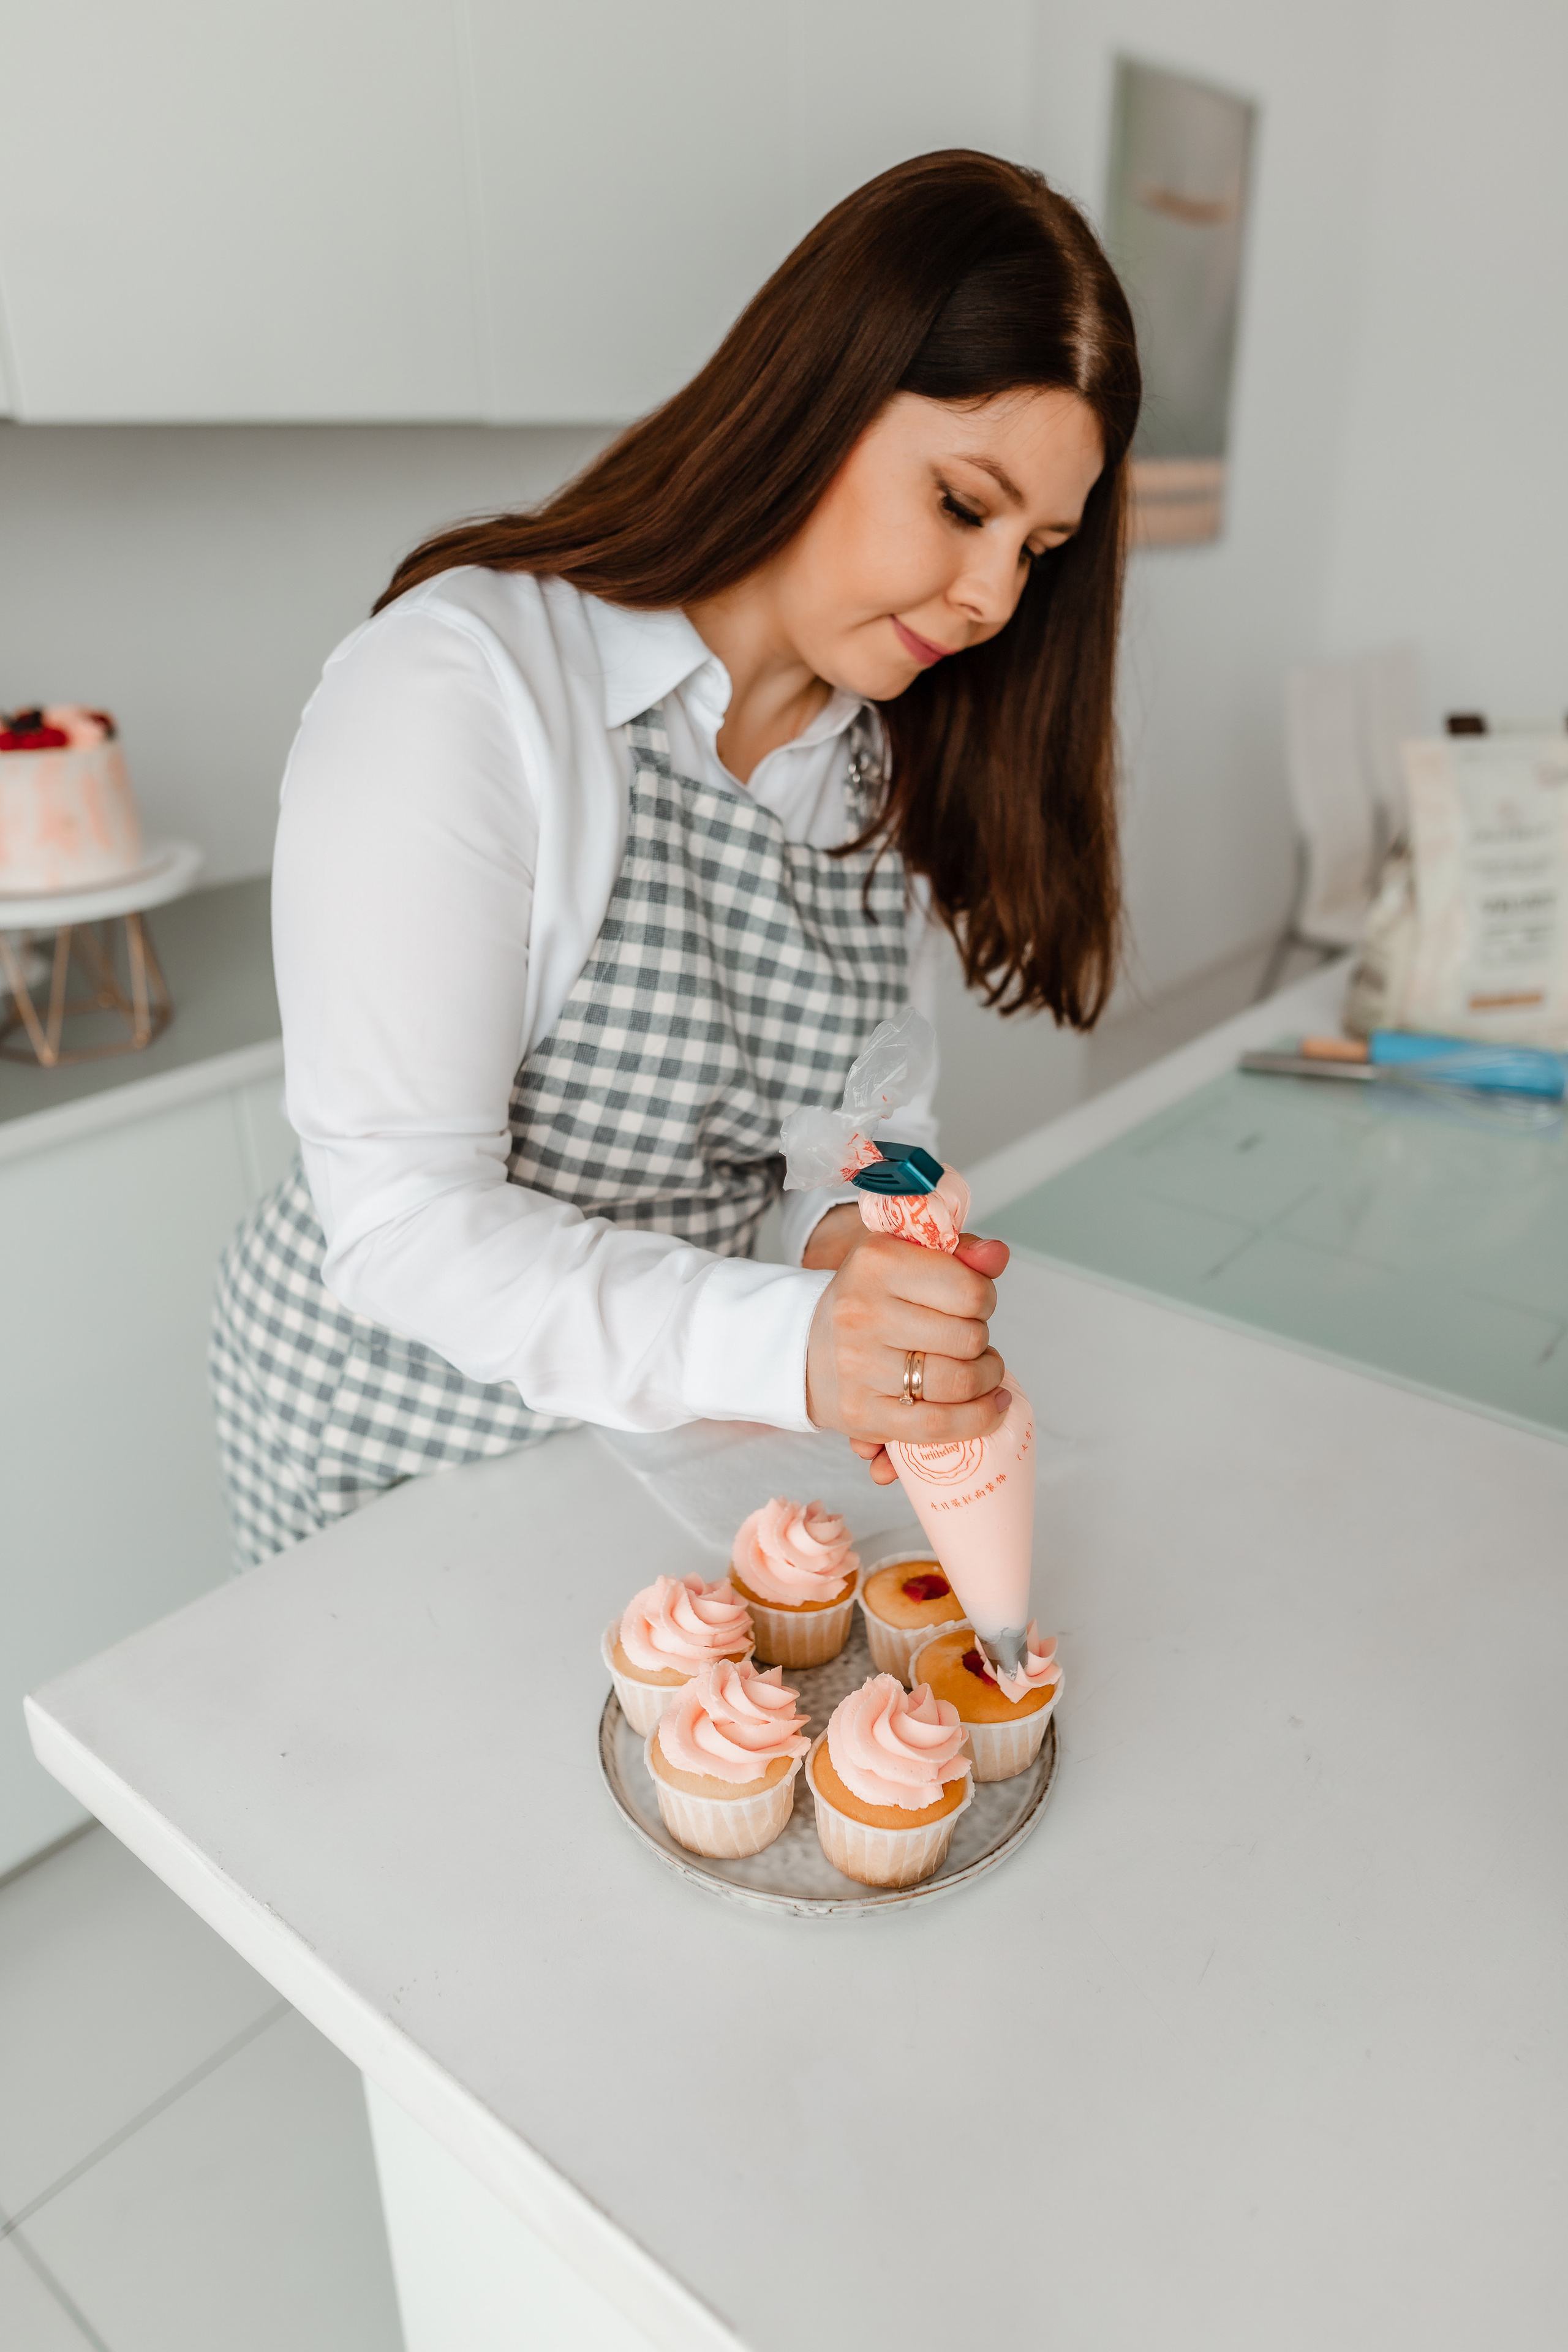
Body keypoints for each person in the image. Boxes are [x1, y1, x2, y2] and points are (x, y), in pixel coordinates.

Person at [209, 148, 1140, 1567]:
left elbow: (866, 1124)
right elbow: (404, 1224)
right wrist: (795, 1344)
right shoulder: (465, 685)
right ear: (818, 397)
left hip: (661, 1434)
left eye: (1037, 550)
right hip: (402, 1440)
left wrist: (855, 1243)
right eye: (964, 506)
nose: (989, 600)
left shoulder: (876, 753)